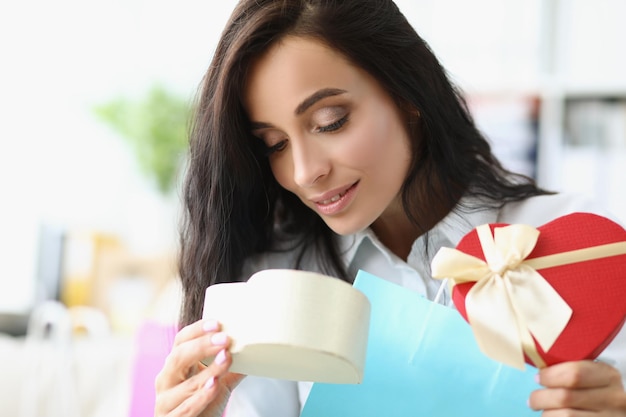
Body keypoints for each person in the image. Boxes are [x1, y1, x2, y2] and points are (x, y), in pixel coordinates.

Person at [154, 0, 626, 416]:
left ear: (407, 96)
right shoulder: (275, 280)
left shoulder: (576, 246)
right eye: (274, 144)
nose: (303, 172)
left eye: (330, 122)